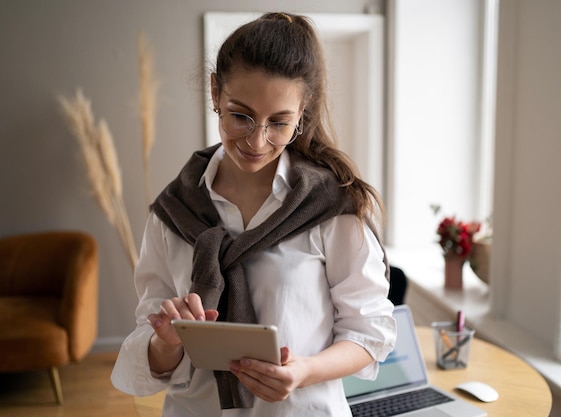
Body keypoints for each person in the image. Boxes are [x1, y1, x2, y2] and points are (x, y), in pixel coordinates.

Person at [111, 12, 396, 417]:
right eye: (240, 115)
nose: (257, 141)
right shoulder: (173, 212)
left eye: (279, 122)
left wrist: (307, 370)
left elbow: (371, 333)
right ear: (214, 92)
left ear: (303, 112)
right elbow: (151, 350)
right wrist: (167, 341)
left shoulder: (331, 208)